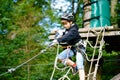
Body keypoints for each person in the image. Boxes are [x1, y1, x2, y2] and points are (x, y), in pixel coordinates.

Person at [49, 13, 86, 80]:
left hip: (80, 48)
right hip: (72, 48)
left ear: (71, 22)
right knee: (59, 58)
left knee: (80, 65)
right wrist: (59, 34)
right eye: (63, 24)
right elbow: (64, 35)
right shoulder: (67, 30)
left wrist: (57, 40)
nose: (64, 25)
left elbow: (68, 36)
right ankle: (74, 66)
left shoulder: (74, 30)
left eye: (65, 23)